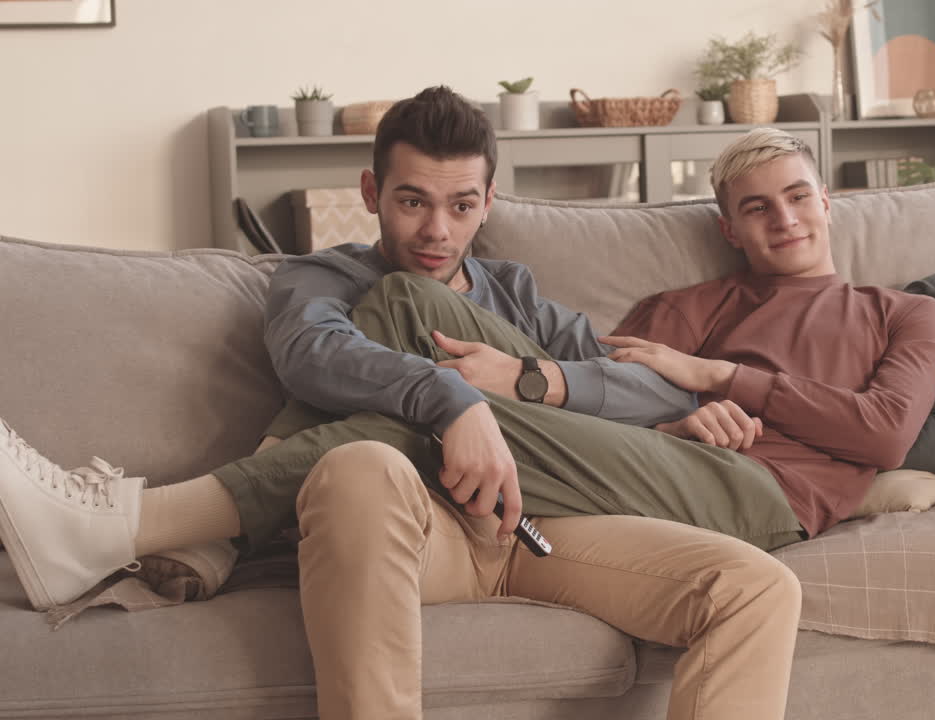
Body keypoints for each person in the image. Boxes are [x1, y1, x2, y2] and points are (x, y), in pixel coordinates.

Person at [0, 87, 806, 720]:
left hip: (544, 520)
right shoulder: (322, 278)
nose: (437, 231)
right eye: (413, 201)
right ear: (370, 193)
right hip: (416, 527)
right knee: (378, 402)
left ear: (489, 202)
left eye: (462, 206)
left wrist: (522, 381)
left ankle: (173, 526)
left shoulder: (516, 295)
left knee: (761, 587)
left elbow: (643, 381)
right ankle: (177, 527)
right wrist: (454, 402)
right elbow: (310, 352)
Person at [602, 126, 935, 539]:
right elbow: (597, 410)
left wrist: (722, 376)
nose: (784, 220)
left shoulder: (908, 314)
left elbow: (887, 436)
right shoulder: (684, 309)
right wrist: (675, 429)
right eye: (757, 208)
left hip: (768, 496)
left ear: (825, 202)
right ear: (730, 230)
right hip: (661, 469)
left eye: (798, 197)